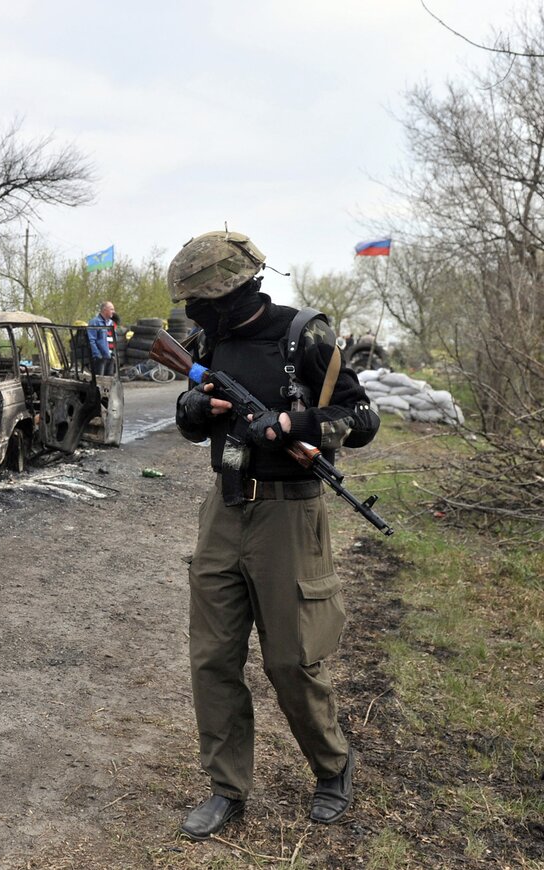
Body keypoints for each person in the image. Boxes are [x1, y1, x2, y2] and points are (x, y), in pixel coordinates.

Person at [167, 229, 380, 841]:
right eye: (194, 308)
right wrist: (191, 412)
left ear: (236, 293)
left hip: (290, 514)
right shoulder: (210, 339)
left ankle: (334, 766)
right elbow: (190, 410)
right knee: (212, 658)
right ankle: (227, 788)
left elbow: (360, 419)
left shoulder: (304, 334)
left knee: (291, 659)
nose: (197, 317)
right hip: (224, 509)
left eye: (204, 304)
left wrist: (296, 422)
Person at [87, 301, 117, 377]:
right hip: (100, 359)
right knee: (100, 381)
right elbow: (91, 340)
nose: (113, 312)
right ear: (104, 310)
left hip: (110, 357)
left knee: (109, 381)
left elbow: (114, 339)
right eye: (111, 309)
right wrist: (97, 355)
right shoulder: (95, 322)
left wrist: (114, 353)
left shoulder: (111, 323)